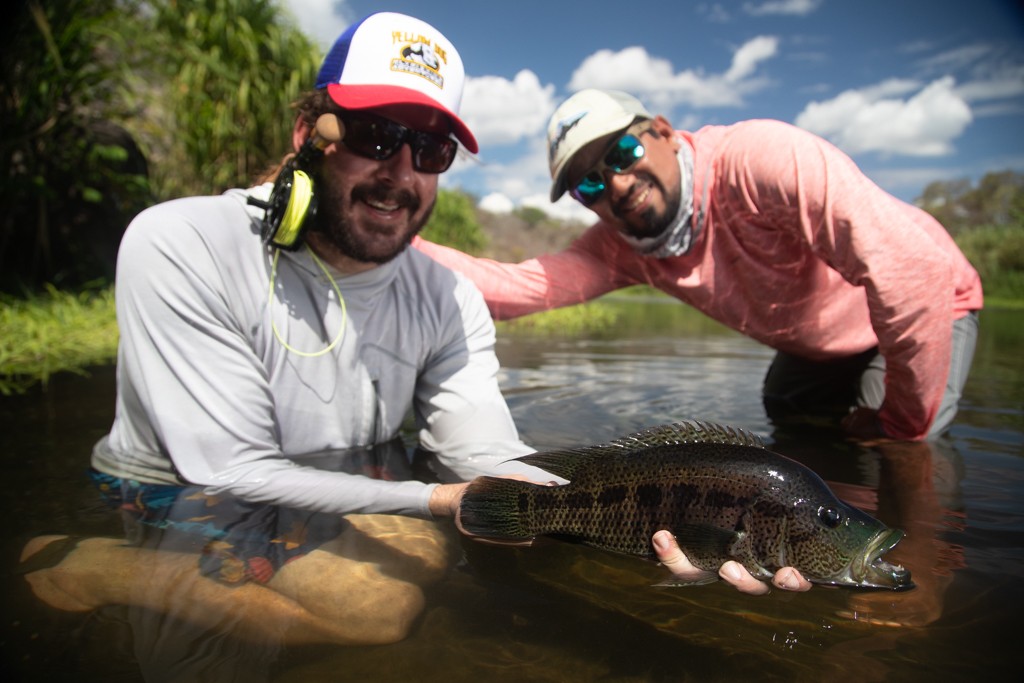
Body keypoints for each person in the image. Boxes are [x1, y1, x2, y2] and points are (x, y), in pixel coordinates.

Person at [17, 18, 804, 659]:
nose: (401, 170)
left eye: (429, 149)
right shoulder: (182, 240)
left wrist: (673, 513)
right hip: (177, 491)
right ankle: (108, 561)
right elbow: (224, 465)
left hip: (348, 483)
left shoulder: (448, 297)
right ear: (310, 131)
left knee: (456, 552)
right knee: (381, 612)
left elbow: (483, 458)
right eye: (375, 133)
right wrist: (438, 498)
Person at [415, 88, 982, 444]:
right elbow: (519, 289)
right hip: (817, 342)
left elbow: (912, 274)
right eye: (589, 183)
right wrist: (387, 241)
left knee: (890, 449)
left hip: (926, 301)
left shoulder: (761, 162)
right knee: (786, 411)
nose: (615, 183)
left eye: (623, 153)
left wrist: (900, 424)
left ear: (661, 130)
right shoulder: (621, 245)